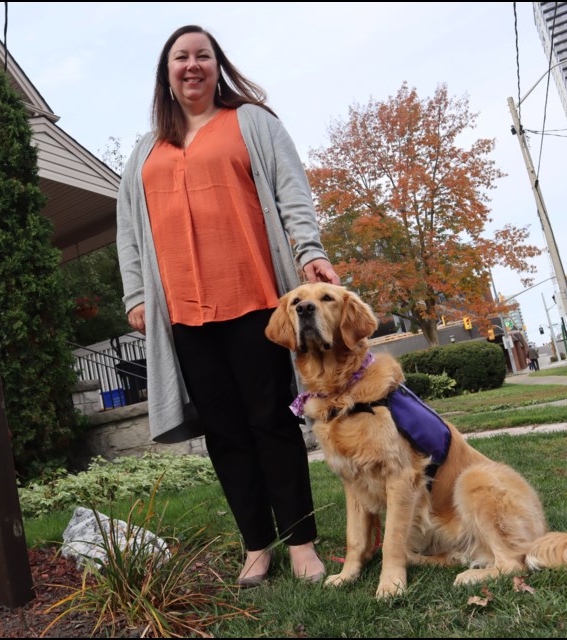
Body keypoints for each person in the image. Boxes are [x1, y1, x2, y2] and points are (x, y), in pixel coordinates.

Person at [116, 24, 339, 587]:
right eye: (180, 58)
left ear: (218, 66)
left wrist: (309, 251)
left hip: (253, 301)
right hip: (185, 316)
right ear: (166, 74)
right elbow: (128, 230)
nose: (192, 65)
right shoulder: (146, 150)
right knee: (223, 432)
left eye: (202, 56)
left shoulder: (252, 122)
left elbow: (292, 191)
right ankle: (256, 546)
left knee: (272, 423)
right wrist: (138, 292)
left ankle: (302, 544)